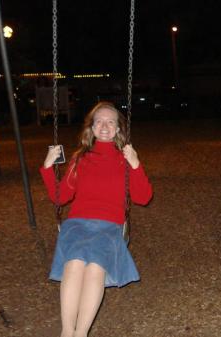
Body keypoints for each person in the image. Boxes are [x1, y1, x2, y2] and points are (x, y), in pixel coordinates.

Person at [40, 101, 153, 337]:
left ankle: (81, 333)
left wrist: (135, 165)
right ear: (91, 128)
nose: (104, 125)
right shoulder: (80, 159)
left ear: (118, 129)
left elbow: (143, 197)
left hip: (110, 226)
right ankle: (66, 331)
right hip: (77, 223)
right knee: (74, 264)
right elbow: (61, 197)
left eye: (110, 121)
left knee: (95, 268)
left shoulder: (125, 159)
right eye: (99, 121)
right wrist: (48, 168)